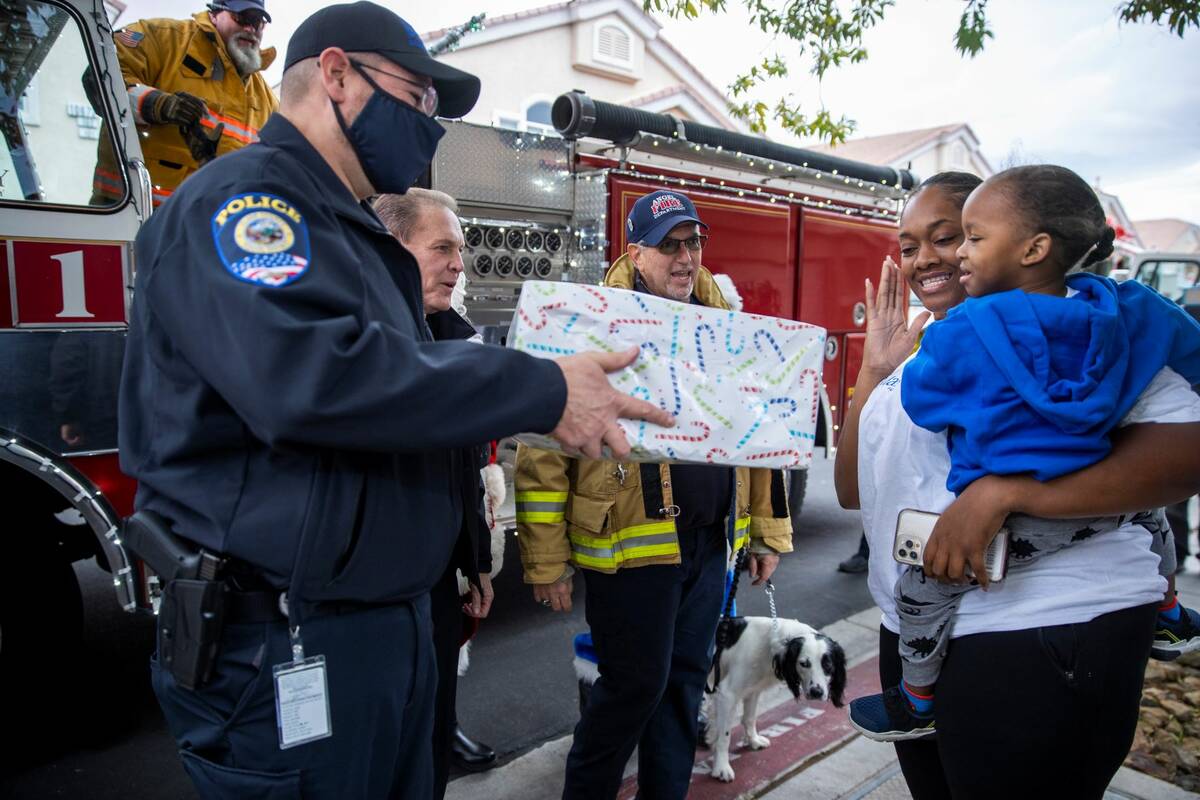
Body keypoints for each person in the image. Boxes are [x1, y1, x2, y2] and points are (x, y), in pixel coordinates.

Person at [118, 4, 672, 798]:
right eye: (417, 99)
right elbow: (316, 382)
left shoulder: (349, 233)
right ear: (336, 74)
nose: (430, 127)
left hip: (383, 628)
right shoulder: (244, 205)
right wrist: (539, 387)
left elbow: (403, 412)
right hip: (284, 640)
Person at [833, 171, 1200, 800]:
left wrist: (1007, 493)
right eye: (908, 245)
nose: (928, 259)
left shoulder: (1087, 324)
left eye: (953, 236)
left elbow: (1187, 451)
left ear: (1023, 242)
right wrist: (874, 371)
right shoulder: (926, 344)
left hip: (1042, 631)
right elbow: (851, 491)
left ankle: (1167, 612)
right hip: (918, 628)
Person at [515, 189, 793, 800]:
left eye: (694, 242)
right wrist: (547, 560)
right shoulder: (594, 320)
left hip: (707, 541)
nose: (686, 256)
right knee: (633, 688)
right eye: (669, 245)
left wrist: (765, 533)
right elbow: (543, 452)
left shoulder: (723, 320)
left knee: (685, 686)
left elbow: (760, 432)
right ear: (635, 252)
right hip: (628, 550)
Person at [373, 187, 498, 794]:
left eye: (462, 249)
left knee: (431, 743)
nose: (459, 263)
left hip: (437, 590)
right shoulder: (362, 343)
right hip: (374, 595)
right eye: (443, 247)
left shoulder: (454, 340)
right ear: (390, 251)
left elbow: (465, 468)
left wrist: (476, 563)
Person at [93, 1, 278, 206]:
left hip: (204, 228)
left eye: (257, 22)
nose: (250, 29)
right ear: (215, 14)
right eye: (242, 17)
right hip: (129, 215)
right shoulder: (161, 38)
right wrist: (158, 104)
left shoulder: (267, 100)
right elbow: (100, 77)